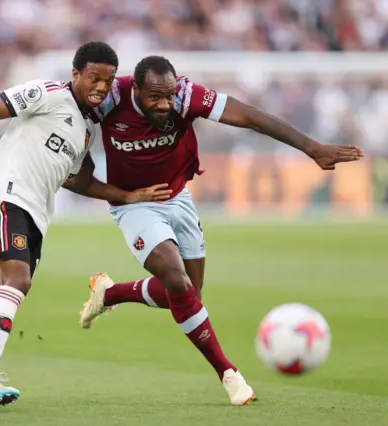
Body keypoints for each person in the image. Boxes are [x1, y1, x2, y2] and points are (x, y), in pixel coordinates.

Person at [75, 56, 365, 405]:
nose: (165, 104)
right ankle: (228, 373)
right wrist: (122, 195)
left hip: (177, 195)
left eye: (168, 96)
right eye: (155, 97)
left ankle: (109, 294)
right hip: (134, 205)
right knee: (176, 279)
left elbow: (249, 117)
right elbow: (75, 166)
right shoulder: (109, 100)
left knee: (188, 293)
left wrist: (312, 148)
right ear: (135, 89)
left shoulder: (185, 96)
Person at [0, 42, 172, 409]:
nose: (102, 87)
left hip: (37, 217)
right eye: (94, 78)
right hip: (5, 197)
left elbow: (80, 181)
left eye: (108, 81)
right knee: (19, 281)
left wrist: (129, 196)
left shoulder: (88, 128)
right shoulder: (47, 93)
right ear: (76, 74)